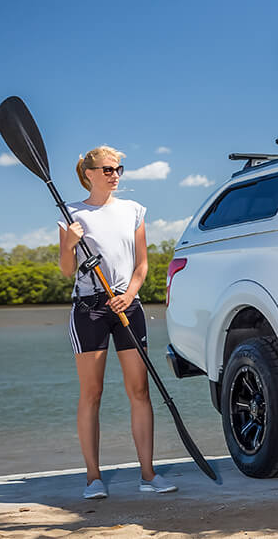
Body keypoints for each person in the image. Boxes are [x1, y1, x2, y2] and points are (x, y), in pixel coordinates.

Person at [58, 145, 177, 499]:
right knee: (92, 393)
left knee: (139, 390)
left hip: (128, 305)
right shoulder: (71, 214)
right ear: (89, 174)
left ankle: (148, 473)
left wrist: (131, 293)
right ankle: (94, 478)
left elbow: (142, 264)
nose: (114, 175)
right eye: (107, 169)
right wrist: (70, 244)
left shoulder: (133, 211)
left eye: (118, 169)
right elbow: (66, 270)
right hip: (89, 308)